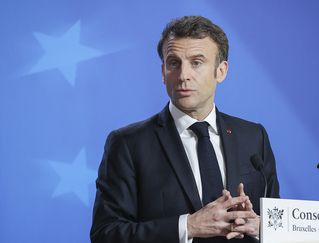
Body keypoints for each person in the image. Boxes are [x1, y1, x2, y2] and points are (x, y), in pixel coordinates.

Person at [90, 16, 280, 243]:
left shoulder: (253, 137)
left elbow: (275, 223)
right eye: (174, 63)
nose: (183, 75)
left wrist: (259, 227)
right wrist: (188, 226)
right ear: (163, 72)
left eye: (196, 62)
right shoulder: (128, 144)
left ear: (221, 71)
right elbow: (106, 234)